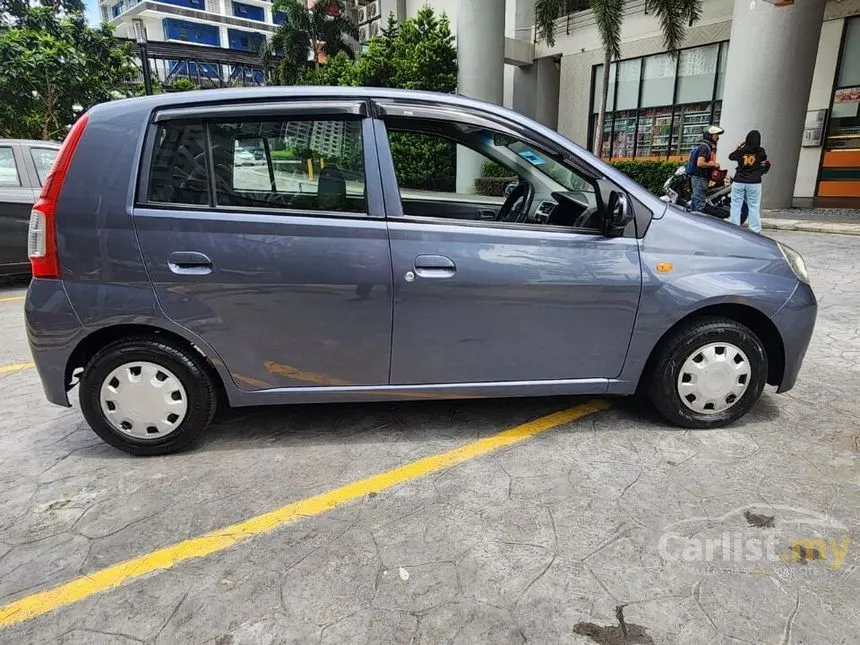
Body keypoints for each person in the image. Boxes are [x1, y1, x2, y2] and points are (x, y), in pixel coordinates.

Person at [728, 130, 768, 234]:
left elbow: (731, 156)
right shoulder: (761, 151)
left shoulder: (741, 150)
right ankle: (755, 230)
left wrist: (740, 145)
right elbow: (764, 159)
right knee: (753, 206)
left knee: (736, 205)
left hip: (739, 180)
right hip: (754, 182)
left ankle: (734, 228)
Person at [687, 126, 723, 213]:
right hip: (699, 178)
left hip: (699, 178)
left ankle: (692, 218)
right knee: (699, 201)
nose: (717, 137)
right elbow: (700, 163)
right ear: (709, 135)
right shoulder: (704, 147)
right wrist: (712, 164)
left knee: (696, 199)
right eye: (715, 134)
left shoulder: (706, 147)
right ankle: (697, 221)